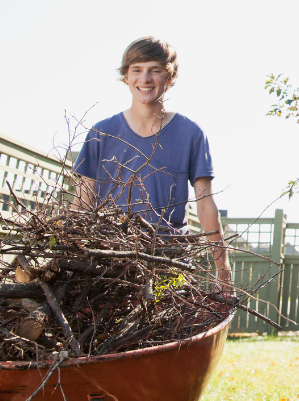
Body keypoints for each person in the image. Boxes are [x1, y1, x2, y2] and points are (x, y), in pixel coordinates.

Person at [73, 36, 232, 288]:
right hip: (107, 259)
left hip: (167, 261)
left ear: (169, 78)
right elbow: (82, 202)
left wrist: (223, 272)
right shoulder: (101, 133)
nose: (145, 79)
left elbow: (205, 206)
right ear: (126, 76)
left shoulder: (190, 133)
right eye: (136, 70)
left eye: (155, 70)